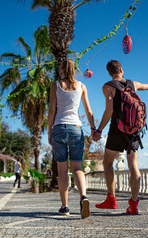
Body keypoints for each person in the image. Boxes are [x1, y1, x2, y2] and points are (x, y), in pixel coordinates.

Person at [93, 60, 148, 214]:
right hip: (133, 130)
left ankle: (111, 200)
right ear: (121, 69)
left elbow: (109, 110)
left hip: (117, 129)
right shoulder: (132, 84)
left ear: (109, 72)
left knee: (108, 163)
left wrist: (99, 130)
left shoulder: (107, 86)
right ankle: (133, 205)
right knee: (133, 165)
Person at [48, 59, 96, 219]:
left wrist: (49, 132)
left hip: (59, 128)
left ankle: (65, 206)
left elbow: (51, 110)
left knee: (62, 169)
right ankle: (84, 197)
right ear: (75, 70)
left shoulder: (55, 85)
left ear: (61, 70)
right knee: (77, 168)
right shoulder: (82, 86)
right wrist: (94, 128)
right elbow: (88, 110)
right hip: (76, 128)